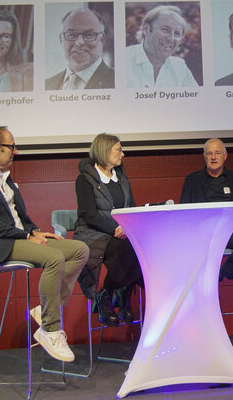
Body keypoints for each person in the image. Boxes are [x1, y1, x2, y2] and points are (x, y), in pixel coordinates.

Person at [0, 126, 88, 362]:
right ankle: (50, 329)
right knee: (53, 258)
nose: (15, 152)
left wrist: (35, 231)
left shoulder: (5, 178)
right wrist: (27, 237)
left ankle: (47, 307)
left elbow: (17, 217)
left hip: (17, 237)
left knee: (79, 249)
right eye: (10, 147)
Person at [73, 133, 142, 326]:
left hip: (122, 231)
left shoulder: (121, 178)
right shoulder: (85, 179)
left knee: (143, 247)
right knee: (128, 250)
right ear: (105, 151)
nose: (123, 154)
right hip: (94, 232)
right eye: (119, 150)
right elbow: (89, 214)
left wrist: (129, 226)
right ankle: (116, 295)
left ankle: (110, 292)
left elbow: (132, 207)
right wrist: (115, 229)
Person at [180, 138, 233, 281]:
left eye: (217, 153)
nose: (214, 157)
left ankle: (219, 275)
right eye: (209, 154)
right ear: (204, 157)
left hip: (229, 230)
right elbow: (183, 211)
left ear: (225, 155)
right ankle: (198, 284)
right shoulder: (192, 180)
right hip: (201, 232)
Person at [126, 5, 198, 87]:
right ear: (146, 29)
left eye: (177, 33)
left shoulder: (180, 67)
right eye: (165, 30)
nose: (171, 38)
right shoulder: (123, 59)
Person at [45, 7, 115, 90]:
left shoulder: (116, 81)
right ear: (61, 39)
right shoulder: (46, 85)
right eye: (71, 35)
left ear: (102, 39)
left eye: (89, 35)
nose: (79, 42)